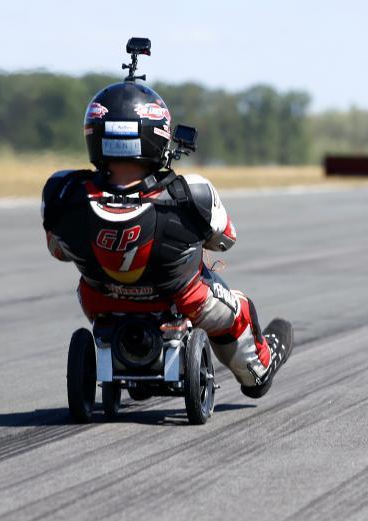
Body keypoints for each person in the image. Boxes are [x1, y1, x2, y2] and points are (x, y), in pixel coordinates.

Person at [40, 79, 292, 398]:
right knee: (238, 309)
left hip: (101, 301)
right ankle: (257, 369)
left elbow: (58, 251)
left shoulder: (62, 192)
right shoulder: (193, 193)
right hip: (184, 300)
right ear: (156, 136)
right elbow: (226, 239)